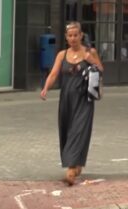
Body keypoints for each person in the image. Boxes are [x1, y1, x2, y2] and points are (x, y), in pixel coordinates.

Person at [40, 22, 103, 186]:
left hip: (84, 99)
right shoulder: (62, 54)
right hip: (66, 99)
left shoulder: (90, 52)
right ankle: (77, 164)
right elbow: (53, 74)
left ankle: (71, 169)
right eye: (70, 35)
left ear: (81, 35)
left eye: (76, 35)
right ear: (66, 37)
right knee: (67, 130)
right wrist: (46, 88)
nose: (73, 38)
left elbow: (101, 70)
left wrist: (91, 60)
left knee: (78, 131)